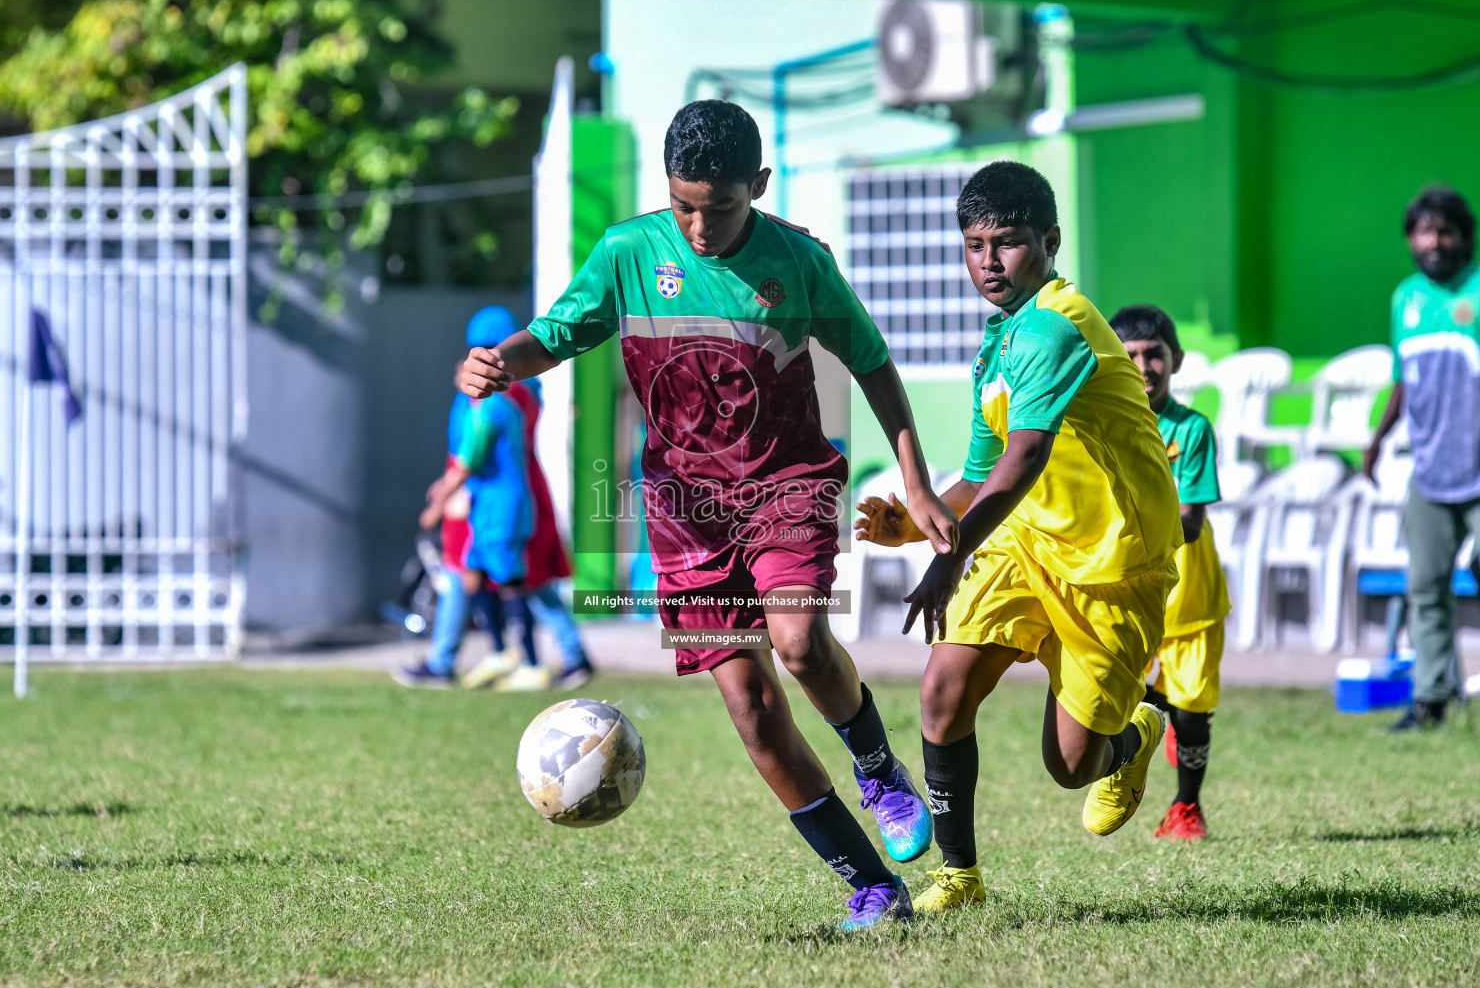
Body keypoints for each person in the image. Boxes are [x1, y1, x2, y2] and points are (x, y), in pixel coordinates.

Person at [457, 100, 961, 930]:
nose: (697, 224)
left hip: (787, 484)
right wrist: (502, 363)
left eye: (718, 207)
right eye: (683, 203)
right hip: (685, 511)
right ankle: (872, 886)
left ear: (757, 187)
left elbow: (871, 362)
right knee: (752, 711)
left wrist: (915, 481)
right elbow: (559, 331)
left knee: (798, 642)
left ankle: (877, 768)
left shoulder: (797, 261)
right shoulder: (628, 250)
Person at [854, 161, 1180, 913]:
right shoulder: (998, 342)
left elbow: (1026, 458)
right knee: (942, 690)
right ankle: (959, 877)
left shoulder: (1055, 325)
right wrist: (917, 524)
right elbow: (981, 472)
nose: (989, 262)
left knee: (1070, 766)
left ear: (1051, 241)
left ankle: (1132, 737)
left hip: (1114, 565)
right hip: (1023, 543)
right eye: (974, 245)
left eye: (1008, 243)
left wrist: (952, 551)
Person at [395, 308, 595, 692]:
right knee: (474, 575)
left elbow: (470, 457)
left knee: (517, 581)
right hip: (502, 501)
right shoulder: (524, 394)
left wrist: (440, 499)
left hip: (498, 506)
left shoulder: (493, 400)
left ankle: (533, 660)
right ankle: (486, 654)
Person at [1110, 304, 1231, 840]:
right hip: (1132, 593)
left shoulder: (1193, 430)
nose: (1143, 365)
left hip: (1191, 599)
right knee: (1130, 701)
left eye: (1154, 354)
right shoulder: (1105, 429)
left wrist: (1126, 524)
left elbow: (1190, 524)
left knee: (1191, 709)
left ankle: (1186, 807)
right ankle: (1140, 751)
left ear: (1174, 360)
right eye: (1130, 355)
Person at [1365, 186, 1480, 731]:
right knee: (1425, 587)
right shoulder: (1404, 298)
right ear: (1412, 240)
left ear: (1464, 236)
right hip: (1431, 470)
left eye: (1445, 230)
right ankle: (1433, 699)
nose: (1435, 241)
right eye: (1424, 231)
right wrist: (1378, 438)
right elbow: (1401, 381)